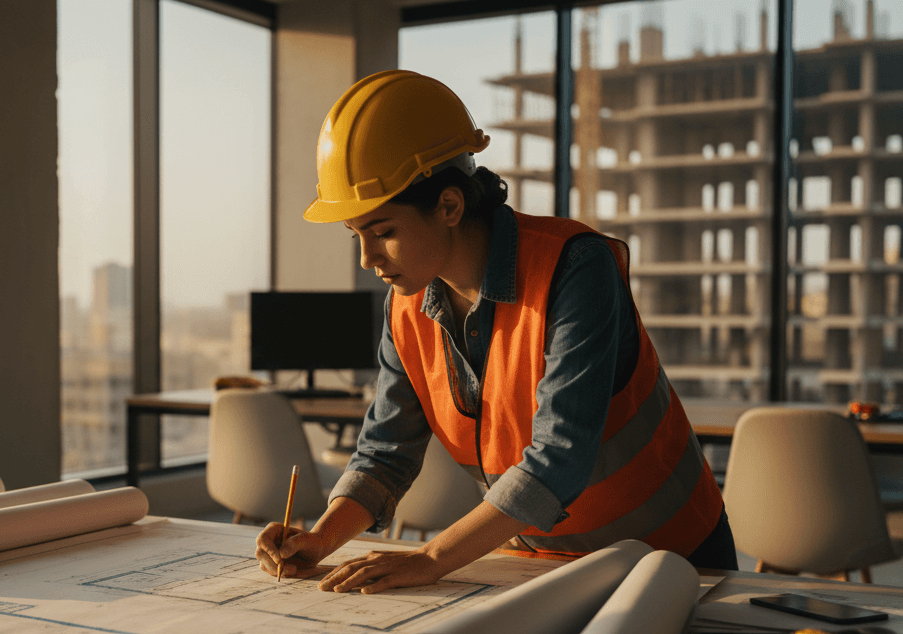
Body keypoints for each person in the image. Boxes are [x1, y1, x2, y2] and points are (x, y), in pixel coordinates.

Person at [255, 70, 738, 594]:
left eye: (384, 233)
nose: (368, 259)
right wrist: (323, 539)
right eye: (357, 237)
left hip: (671, 559)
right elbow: (385, 453)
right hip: (538, 561)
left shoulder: (575, 268)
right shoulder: (406, 305)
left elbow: (559, 456)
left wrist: (433, 557)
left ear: (449, 206)